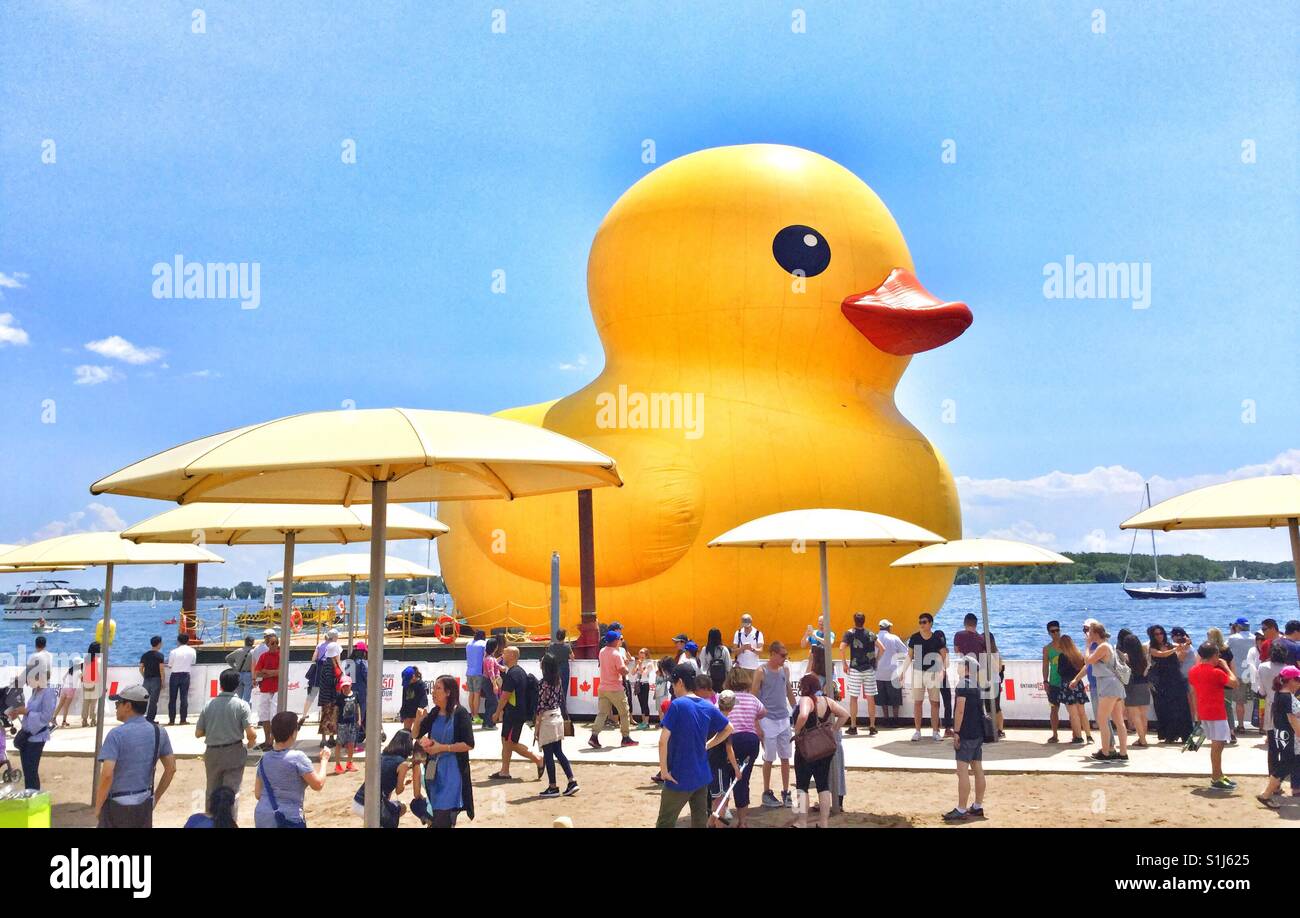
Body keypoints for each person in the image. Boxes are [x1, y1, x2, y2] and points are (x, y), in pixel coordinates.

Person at [656, 664, 734, 828]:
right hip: (702, 775)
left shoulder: (677, 704)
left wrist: (663, 770)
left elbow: (663, 741)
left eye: (673, 683)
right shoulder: (707, 705)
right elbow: (728, 728)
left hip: (679, 775)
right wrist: (708, 744)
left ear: (680, 683)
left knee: (665, 822)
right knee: (699, 821)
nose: (672, 687)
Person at [94, 684, 177, 828]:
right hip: (144, 804)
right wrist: (155, 798)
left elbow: (107, 774)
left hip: (116, 806)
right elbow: (171, 768)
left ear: (128, 706)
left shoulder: (116, 735)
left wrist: (98, 807)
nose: (116, 707)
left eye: (118, 703)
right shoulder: (159, 732)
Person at [413, 675, 476, 827]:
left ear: (448, 692)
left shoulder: (460, 714)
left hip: (452, 771)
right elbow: (416, 735)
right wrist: (418, 720)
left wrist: (442, 747)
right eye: (433, 688)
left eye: (438, 688)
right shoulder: (434, 713)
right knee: (440, 817)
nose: (433, 692)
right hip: (434, 772)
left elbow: (469, 744)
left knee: (442, 816)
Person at [791, 672, 848, 829]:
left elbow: (803, 716)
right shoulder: (827, 700)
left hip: (806, 748)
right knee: (823, 785)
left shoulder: (806, 700)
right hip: (824, 748)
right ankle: (824, 822)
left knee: (802, 785)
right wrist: (833, 730)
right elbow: (845, 714)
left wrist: (796, 731)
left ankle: (802, 821)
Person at [254, 711, 330, 828]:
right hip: (288, 817)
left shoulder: (264, 759)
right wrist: (324, 761)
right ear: (293, 733)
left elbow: (258, 794)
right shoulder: (297, 757)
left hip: (262, 815)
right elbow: (318, 784)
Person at [194, 668, 257, 801]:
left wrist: (214, 730)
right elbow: (251, 734)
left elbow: (198, 733)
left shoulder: (209, 705)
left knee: (212, 790)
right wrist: (249, 745)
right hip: (234, 750)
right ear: (237, 685)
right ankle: (229, 820)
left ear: (220, 684)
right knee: (231, 792)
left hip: (212, 751)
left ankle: (211, 818)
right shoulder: (242, 705)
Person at [1070, 621, 1128, 762]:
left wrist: (1088, 646)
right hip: (1114, 684)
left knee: (1102, 719)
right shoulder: (1108, 645)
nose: (1087, 635)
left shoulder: (1102, 647)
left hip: (1108, 684)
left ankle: (1106, 751)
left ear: (1095, 634)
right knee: (1118, 720)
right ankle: (1122, 753)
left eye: (1089, 632)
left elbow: (1088, 660)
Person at [1187, 642, 1238, 790]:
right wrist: (1226, 667)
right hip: (1216, 712)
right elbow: (1234, 683)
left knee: (1217, 745)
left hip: (1204, 711)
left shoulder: (1193, 671)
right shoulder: (1216, 672)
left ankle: (1219, 774)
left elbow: (1194, 690)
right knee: (1218, 745)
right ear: (1214, 655)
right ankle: (1216, 777)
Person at [944, 654, 988, 821]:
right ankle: (977, 806)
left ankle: (961, 809)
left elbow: (960, 710)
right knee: (978, 769)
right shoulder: (976, 685)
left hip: (966, 733)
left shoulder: (962, 685)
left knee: (962, 771)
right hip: (978, 732)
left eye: (960, 665)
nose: (958, 667)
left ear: (967, 668)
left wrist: (956, 731)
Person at [491, 645, 546, 778]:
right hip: (515, 712)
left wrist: (497, 712)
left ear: (512, 656)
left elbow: (505, 696)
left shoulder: (513, 673)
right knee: (506, 741)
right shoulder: (517, 672)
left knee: (510, 743)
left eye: (505, 653)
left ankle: (538, 759)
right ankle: (504, 770)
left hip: (514, 714)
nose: (502, 656)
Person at [753, 640, 795, 808]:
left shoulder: (785, 670)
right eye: (782, 655)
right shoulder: (760, 671)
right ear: (772, 654)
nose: (785, 658)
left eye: (786, 655)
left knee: (786, 757)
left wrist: (798, 711)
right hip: (767, 719)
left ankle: (786, 791)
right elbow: (753, 697)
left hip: (783, 718)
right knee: (769, 758)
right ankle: (766, 791)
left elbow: (789, 692)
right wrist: (756, 722)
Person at [535, 652, 579, 798]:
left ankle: (553, 786)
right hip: (557, 716)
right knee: (559, 752)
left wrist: (536, 727)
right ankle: (571, 780)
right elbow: (560, 700)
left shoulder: (543, 683)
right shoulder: (557, 680)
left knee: (548, 754)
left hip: (547, 719)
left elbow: (541, 706)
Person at [1257, 665, 1300, 809]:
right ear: (1290, 680)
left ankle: (1268, 792)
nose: (1299, 682)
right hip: (1290, 736)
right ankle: (1266, 794)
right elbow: (1292, 719)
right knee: (1286, 765)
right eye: (1297, 679)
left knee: (1287, 764)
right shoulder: (1286, 696)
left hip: (1283, 735)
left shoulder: (1280, 693)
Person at [352, 729, 414, 827]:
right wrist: (403, 784)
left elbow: (384, 779)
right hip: (371, 806)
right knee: (402, 807)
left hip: (358, 800)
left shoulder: (382, 755)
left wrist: (402, 781)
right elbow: (399, 790)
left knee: (387, 809)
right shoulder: (403, 763)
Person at [588, 631, 637, 748]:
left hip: (603, 687)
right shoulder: (616, 654)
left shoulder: (602, 651)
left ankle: (594, 736)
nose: (621, 641)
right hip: (615, 687)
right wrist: (626, 666)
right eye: (620, 639)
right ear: (615, 640)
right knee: (624, 713)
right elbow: (622, 671)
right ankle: (625, 738)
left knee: (602, 713)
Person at [904, 613, 947, 742]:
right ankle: (917, 731)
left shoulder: (936, 638)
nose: (921, 624)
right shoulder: (915, 637)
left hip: (933, 673)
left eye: (924, 622)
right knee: (918, 702)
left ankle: (935, 731)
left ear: (930, 623)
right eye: (920, 622)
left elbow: (943, 654)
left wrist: (943, 670)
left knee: (935, 703)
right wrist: (902, 671)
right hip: (918, 672)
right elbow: (909, 655)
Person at [1147, 625, 1192, 744]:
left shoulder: (1170, 645)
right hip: (1162, 681)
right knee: (1166, 709)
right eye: (1156, 634)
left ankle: (1185, 734)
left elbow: (1181, 652)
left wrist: (1185, 644)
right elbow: (1161, 654)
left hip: (1176, 679)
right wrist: (1175, 649)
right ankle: (1169, 734)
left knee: (1182, 707)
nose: (1160, 636)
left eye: (1161, 633)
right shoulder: (1151, 647)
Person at [12, 672, 57, 790]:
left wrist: (26, 712)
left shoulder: (48, 693)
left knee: (31, 771)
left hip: (37, 737)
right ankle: (30, 796)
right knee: (27, 771)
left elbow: (46, 717)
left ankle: (34, 798)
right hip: (27, 734)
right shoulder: (36, 691)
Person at [840, 612, 878, 735]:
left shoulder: (850, 633)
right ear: (864, 621)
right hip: (869, 669)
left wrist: (845, 663)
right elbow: (882, 648)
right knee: (871, 698)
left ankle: (853, 726)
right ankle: (872, 726)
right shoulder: (871, 634)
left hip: (855, 669)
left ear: (854, 620)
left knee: (853, 698)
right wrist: (875, 659)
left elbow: (841, 648)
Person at [1117, 629, 1151, 747]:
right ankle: (1143, 738)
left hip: (1132, 687)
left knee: (1135, 715)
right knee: (1143, 715)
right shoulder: (1144, 656)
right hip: (1144, 685)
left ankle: (1142, 739)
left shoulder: (1126, 657)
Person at [1055, 634, 1090, 743]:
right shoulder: (1078, 655)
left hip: (1067, 685)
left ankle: (1078, 737)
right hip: (1078, 684)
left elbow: (1060, 672)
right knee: (1082, 713)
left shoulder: (1062, 656)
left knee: (1073, 714)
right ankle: (1088, 736)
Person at [1226, 617, 1256, 736]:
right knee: (1257, 701)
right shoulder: (1254, 637)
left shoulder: (1233, 638)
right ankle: (1262, 727)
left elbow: (1224, 648)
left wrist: (1232, 633)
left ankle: (1241, 725)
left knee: (1240, 702)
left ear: (1237, 626)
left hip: (1238, 673)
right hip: (1252, 672)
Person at [251, 632, 281, 749]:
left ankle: (272, 741)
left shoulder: (280, 656)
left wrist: (266, 672)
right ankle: (267, 740)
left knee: (274, 715)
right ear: (268, 644)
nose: (274, 645)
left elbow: (281, 671)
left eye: (276, 643)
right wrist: (272, 673)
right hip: (265, 689)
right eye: (272, 643)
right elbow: (258, 672)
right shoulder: (264, 656)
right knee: (264, 715)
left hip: (277, 689)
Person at [875, 619, 907, 726]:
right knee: (895, 699)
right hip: (892, 672)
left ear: (880, 627)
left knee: (882, 698)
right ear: (889, 628)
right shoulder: (894, 638)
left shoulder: (874, 638)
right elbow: (905, 652)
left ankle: (885, 719)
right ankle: (895, 720)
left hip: (878, 672)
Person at [166, 632, 197, 725]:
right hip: (186, 675)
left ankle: (171, 720)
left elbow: (170, 665)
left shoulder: (173, 651)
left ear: (178, 641)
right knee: (184, 698)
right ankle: (183, 719)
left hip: (175, 675)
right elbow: (193, 662)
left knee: (172, 699)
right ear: (188, 640)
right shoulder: (192, 651)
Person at [1042, 621, 1065, 742]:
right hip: (1054, 682)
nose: (1056, 633)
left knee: (1074, 709)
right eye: (1053, 631)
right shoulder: (1047, 649)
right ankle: (1055, 734)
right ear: (1049, 633)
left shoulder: (1067, 645)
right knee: (1054, 709)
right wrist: (1045, 681)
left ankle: (1078, 735)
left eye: (1057, 630)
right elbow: (1045, 666)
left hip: (1067, 681)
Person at [335, 677, 361, 773]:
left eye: (347, 686)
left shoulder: (355, 694)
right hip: (342, 724)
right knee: (339, 743)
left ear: (351, 685)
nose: (345, 688)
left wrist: (359, 719)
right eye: (344, 686)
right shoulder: (339, 697)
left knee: (351, 744)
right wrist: (334, 723)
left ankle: (349, 763)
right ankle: (337, 764)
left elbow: (357, 707)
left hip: (352, 723)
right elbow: (336, 710)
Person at [546, 629, 573, 719]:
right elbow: (572, 658)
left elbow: (547, 657)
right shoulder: (567, 647)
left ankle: (553, 709)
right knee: (563, 690)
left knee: (553, 690)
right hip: (564, 669)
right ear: (564, 637)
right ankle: (563, 711)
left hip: (554, 670)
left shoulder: (551, 647)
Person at [801, 615, 835, 684]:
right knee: (816, 690)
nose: (821, 623)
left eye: (823, 621)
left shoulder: (830, 633)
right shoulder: (813, 633)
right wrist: (806, 634)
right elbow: (803, 645)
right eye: (820, 621)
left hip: (826, 667)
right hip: (814, 668)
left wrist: (816, 637)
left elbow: (829, 643)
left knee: (828, 690)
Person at [139, 635, 165, 722]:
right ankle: (150, 719)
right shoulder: (160, 656)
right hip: (156, 680)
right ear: (159, 644)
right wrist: (163, 681)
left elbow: (140, 668)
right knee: (153, 701)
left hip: (146, 680)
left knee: (143, 699)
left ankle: (139, 717)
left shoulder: (145, 655)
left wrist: (144, 676)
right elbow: (161, 670)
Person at [465, 630, 488, 724]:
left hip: (469, 671)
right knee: (477, 694)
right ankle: (476, 716)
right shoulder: (484, 643)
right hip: (478, 672)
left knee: (471, 694)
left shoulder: (468, 643)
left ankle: (472, 715)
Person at [225, 636, 256, 702]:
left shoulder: (238, 651)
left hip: (238, 673)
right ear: (253, 642)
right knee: (247, 697)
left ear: (245, 642)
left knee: (238, 695)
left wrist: (234, 667)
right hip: (249, 674)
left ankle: (238, 709)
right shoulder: (254, 652)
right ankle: (245, 710)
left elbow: (227, 658)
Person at [702, 628, 732, 693]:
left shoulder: (705, 650)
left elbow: (702, 667)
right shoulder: (724, 649)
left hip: (709, 679)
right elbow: (728, 667)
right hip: (721, 680)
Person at [629, 648, 653, 729]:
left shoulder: (649, 663)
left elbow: (644, 673)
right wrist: (636, 665)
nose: (641, 658)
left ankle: (646, 722)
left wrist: (639, 665)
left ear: (646, 656)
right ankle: (643, 721)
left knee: (645, 703)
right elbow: (632, 673)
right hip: (638, 684)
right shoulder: (638, 663)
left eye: (642, 656)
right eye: (640, 656)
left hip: (645, 684)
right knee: (641, 703)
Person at [54, 657, 81, 727]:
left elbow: (63, 678)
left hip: (64, 688)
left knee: (60, 704)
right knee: (66, 706)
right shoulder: (79, 671)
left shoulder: (70, 670)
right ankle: (64, 721)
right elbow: (82, 679)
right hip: (71, 689)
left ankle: (53, 718)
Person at [400, 666, 428, 732]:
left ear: (413, 676)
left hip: (418, 712)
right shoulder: (406, 686)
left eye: (408, 680)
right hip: (408, 711)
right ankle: (408, 742)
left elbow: (424, 699)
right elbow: (404, 699)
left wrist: (420, 710)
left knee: (418, 733)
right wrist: (402, 713)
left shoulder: (421, 685)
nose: (407, 683)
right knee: (406, 733)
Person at [81, 641, 101, 727]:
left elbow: (84, 672)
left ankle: (84, 720)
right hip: (95, 682)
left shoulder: (86, 659)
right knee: (93, 703)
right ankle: (93, 720)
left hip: (86, 682)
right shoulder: (99, 660)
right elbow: (99, 673)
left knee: (85, 702)